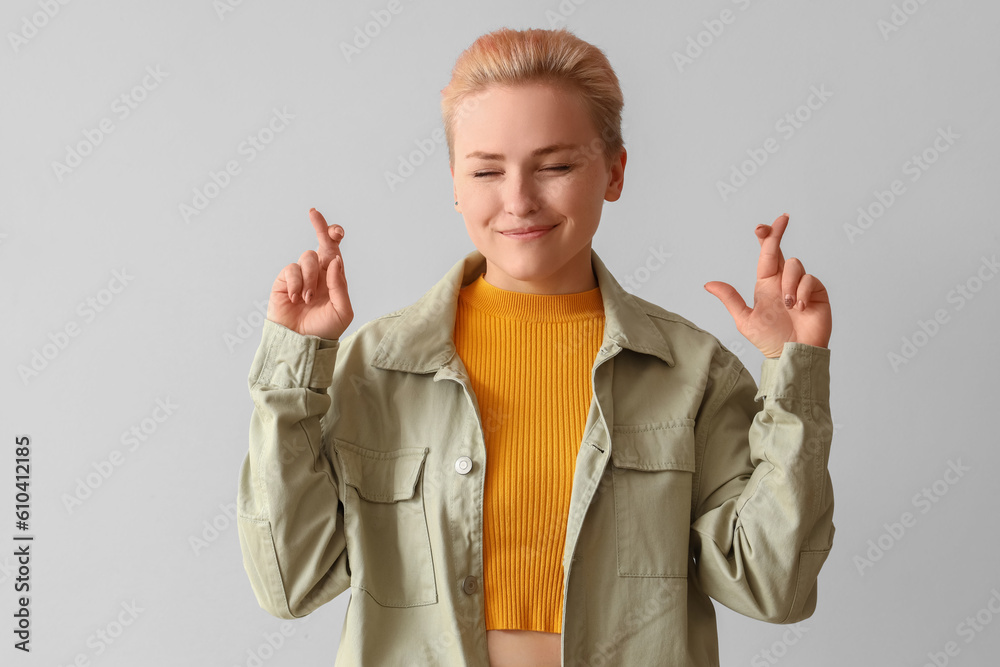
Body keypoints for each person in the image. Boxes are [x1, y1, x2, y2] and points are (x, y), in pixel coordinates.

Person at [236, 26, 834, 667]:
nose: (518, 199)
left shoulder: (691, 371)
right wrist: (292, 369)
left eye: (555, 166)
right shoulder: (377, 365)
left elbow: (773, 587)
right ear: (455, 183)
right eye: (487, 170)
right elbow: (289, 584)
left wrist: (792, 371)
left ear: (615, 170)